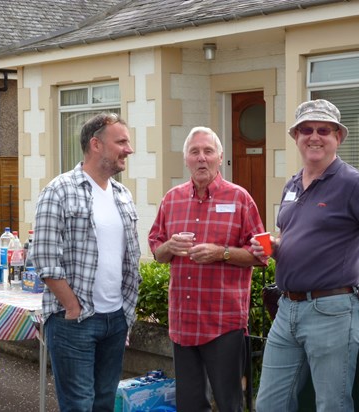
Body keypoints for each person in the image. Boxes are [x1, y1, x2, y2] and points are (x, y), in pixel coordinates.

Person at [254, 99, 359, 412]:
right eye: (306, 129)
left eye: (323, 130)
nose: (314, 136)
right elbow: (295, 238)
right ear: (295, 137)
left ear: (337, 137)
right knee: (270, 404)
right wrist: (273, 246)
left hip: (332, 311)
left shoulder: (353, 184)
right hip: (287, 309)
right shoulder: (293, 185)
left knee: (332, 405)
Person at [148, 126, 267, 412]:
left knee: (229, 403)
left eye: (208, 151)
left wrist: (222, 253)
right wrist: (169, 248)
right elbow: (156, 249)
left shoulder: (241, 198)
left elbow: (263, 254)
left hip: (223, 321)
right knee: (189, 405)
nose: (201, 158)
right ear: (186, 159)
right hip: (183, 319)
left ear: (220, 157)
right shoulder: (171, 199)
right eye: (194, 152)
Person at [30, 112, 141, 412]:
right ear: (96, 144)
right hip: (74, 323)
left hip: (115, 320)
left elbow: (129, 259)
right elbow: (43, 257)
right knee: (79, 405)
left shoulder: (122, 195)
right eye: (121, 142)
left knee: (105, 403)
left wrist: (125, 314)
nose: (128, 149)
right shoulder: (59, 190)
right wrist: (72, 306)